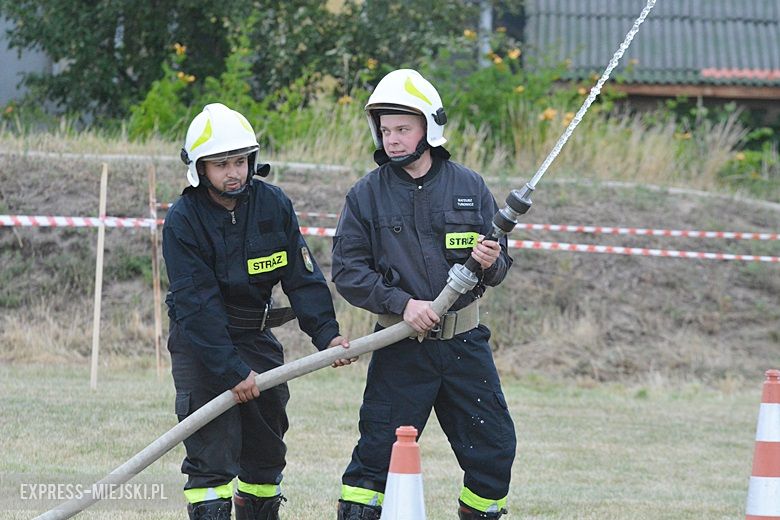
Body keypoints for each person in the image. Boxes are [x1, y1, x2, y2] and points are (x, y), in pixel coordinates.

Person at [332, 69, 516, 519]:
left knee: (493, 450)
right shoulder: (366, 195)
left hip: (464, 347)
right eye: (386, 130)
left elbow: (501, 267)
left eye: (403, 129)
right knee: (375, 458)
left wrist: (491, 262)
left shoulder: (469, 187)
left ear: (430, 128)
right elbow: (349, 272)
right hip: (401, 348)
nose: (393, 140)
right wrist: (402, 305)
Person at [163, 103, 352, 520]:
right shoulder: (183, 221)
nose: (233, 173)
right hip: (202, 346)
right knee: (211, 453)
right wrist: (232, 370)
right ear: (199, 169)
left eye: (240, 161)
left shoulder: (273, 204)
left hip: (256, 338)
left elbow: (302, 278)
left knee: (267, 450)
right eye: (221, 164)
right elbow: (196, 306)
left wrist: (327, 335)